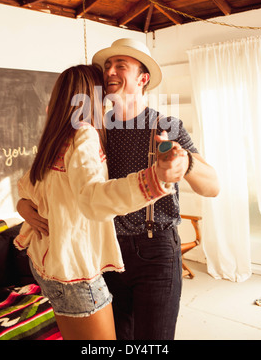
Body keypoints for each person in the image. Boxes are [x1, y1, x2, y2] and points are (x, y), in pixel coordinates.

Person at [18, 39, 219, 340]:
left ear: (142, 78)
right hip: (106, 251)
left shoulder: (166, 125)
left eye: (120, 65)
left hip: (156, 251)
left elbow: (213, 186)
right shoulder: (92, 128)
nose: (110, 71)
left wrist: (185, 163)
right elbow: (51, 180)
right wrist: (23, 203)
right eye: (107, 66)